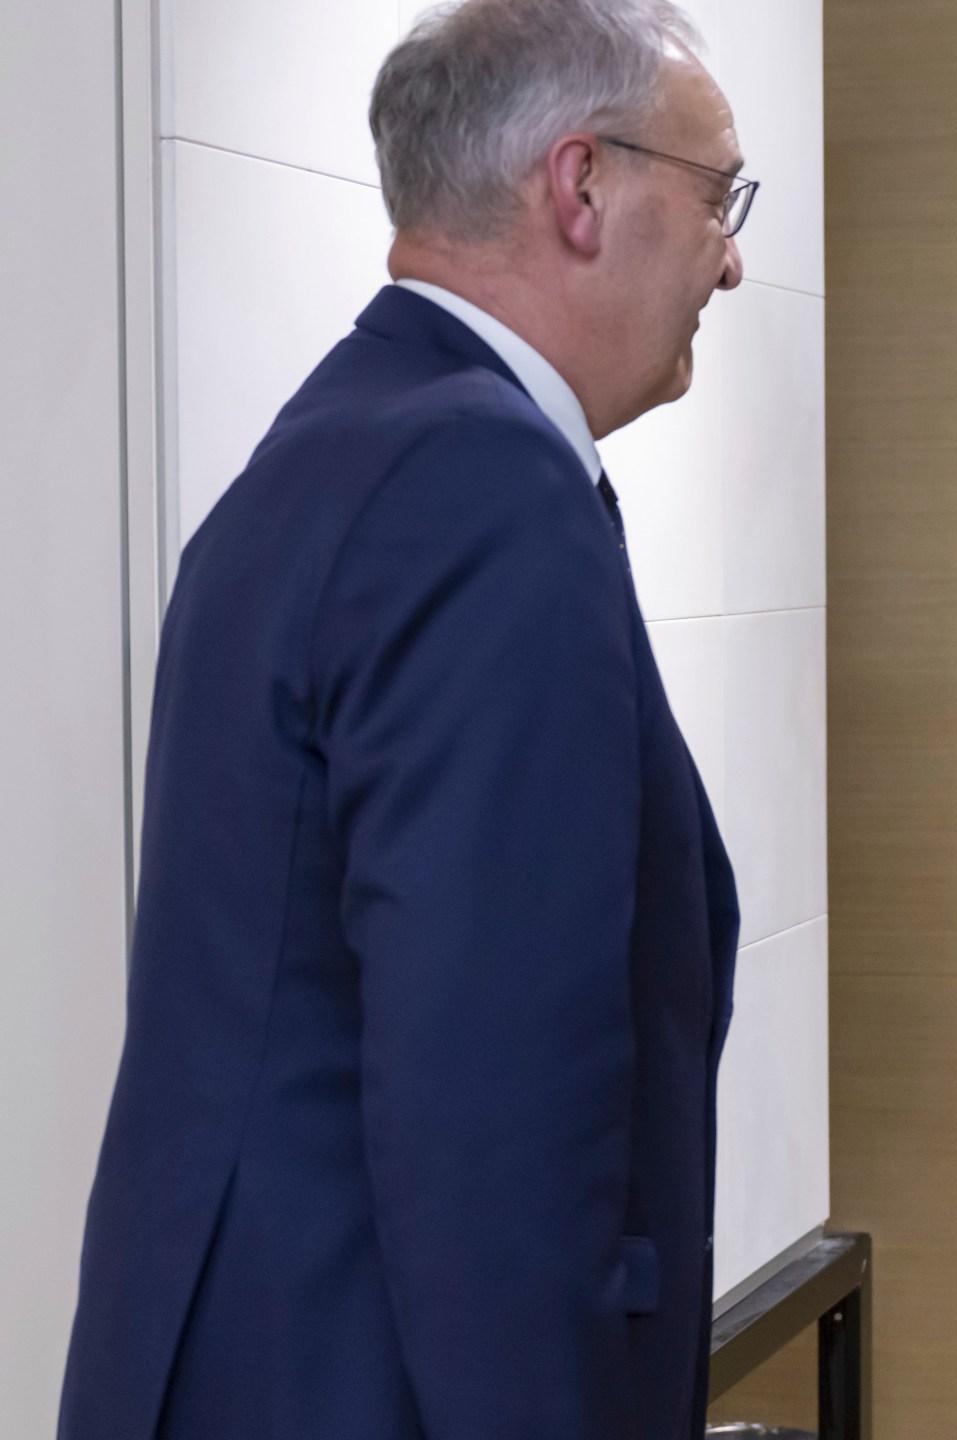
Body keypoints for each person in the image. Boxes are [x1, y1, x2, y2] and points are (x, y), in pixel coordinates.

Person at [59, 2, 755, 1435]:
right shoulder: (481, 485)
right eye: (716, 199)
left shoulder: (337, 444)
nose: (733, 261)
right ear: (582, 188)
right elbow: (493, 1119)